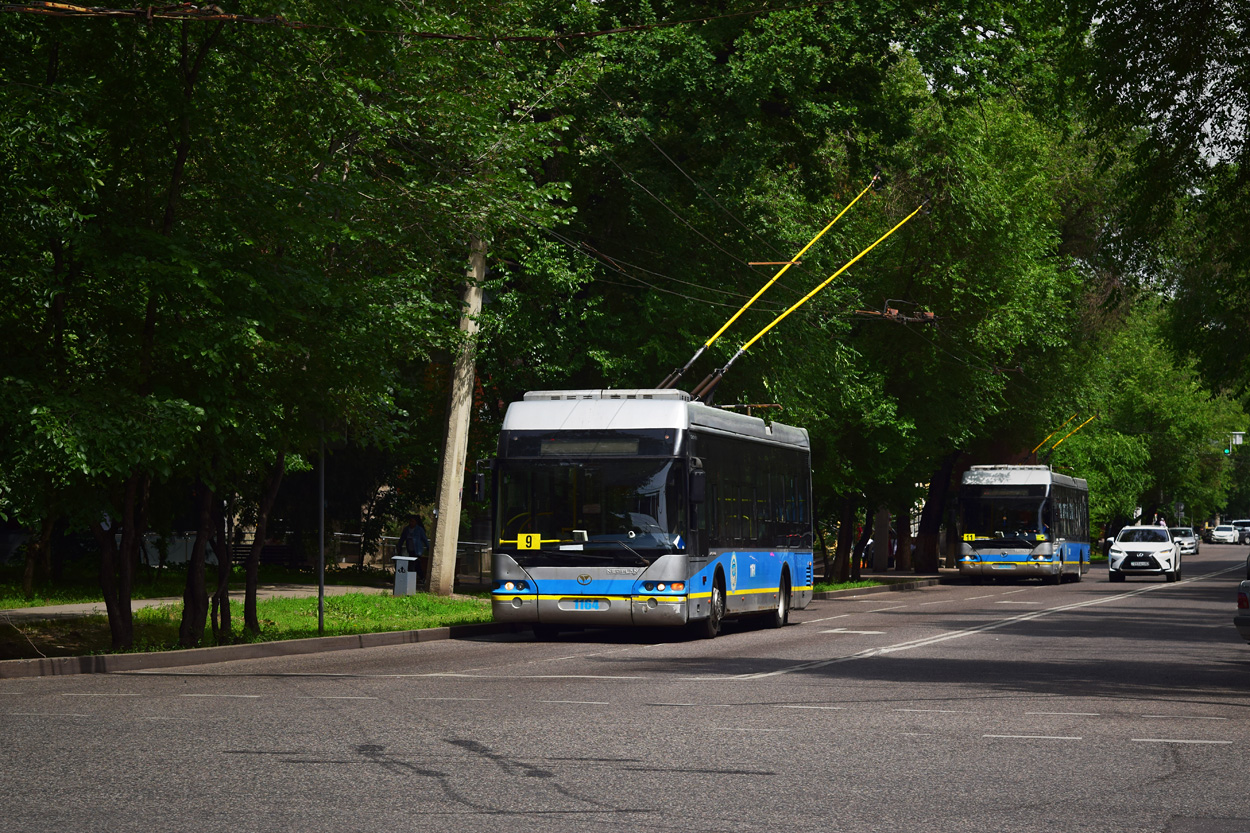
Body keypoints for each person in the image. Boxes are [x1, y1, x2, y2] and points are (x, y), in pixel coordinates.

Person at [398, 515, 429, 581]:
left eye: (413, 521)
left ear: (416, 522)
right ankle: (413, 578)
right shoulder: (406, 529)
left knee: (417, 564)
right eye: (410, 521)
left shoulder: (419, 529)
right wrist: (399, 546)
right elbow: (402, 539)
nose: (411, 523)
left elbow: (424, 539)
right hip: (410, 549)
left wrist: (428, 547)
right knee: (411, 564)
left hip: (417, 550)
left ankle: (421, 578)